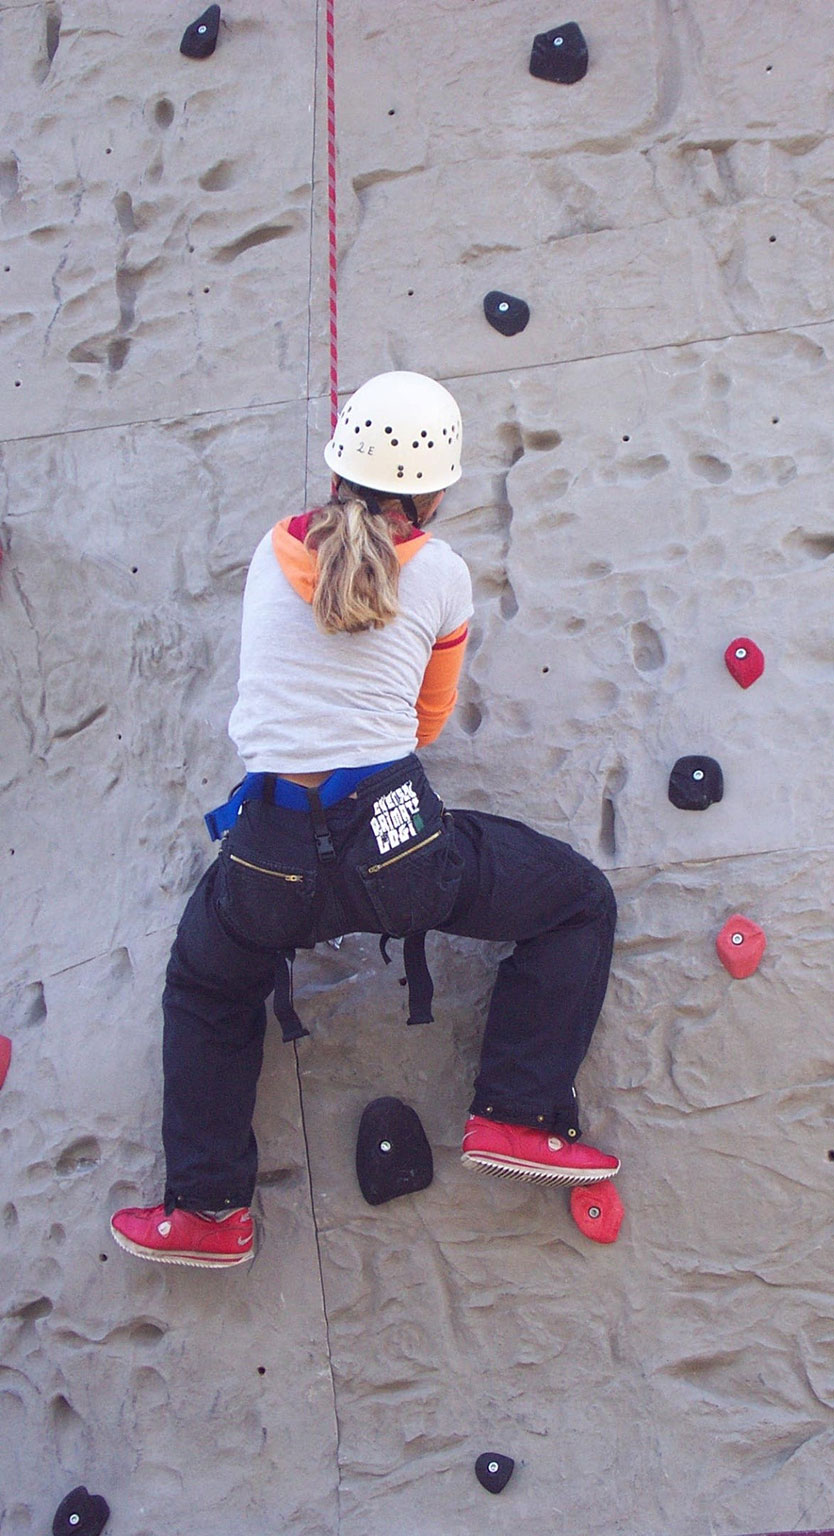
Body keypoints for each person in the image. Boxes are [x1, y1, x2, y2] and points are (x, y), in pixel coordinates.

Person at [110, 371, 619, 1269]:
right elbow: (425, 724)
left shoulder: (273, 550)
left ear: (338, 463)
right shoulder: (444, 574)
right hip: (397, 847)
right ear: (435, 492)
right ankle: (518, 1111)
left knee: (207, 987)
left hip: (268, 855)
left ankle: (209, 1209)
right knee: (576, 899)